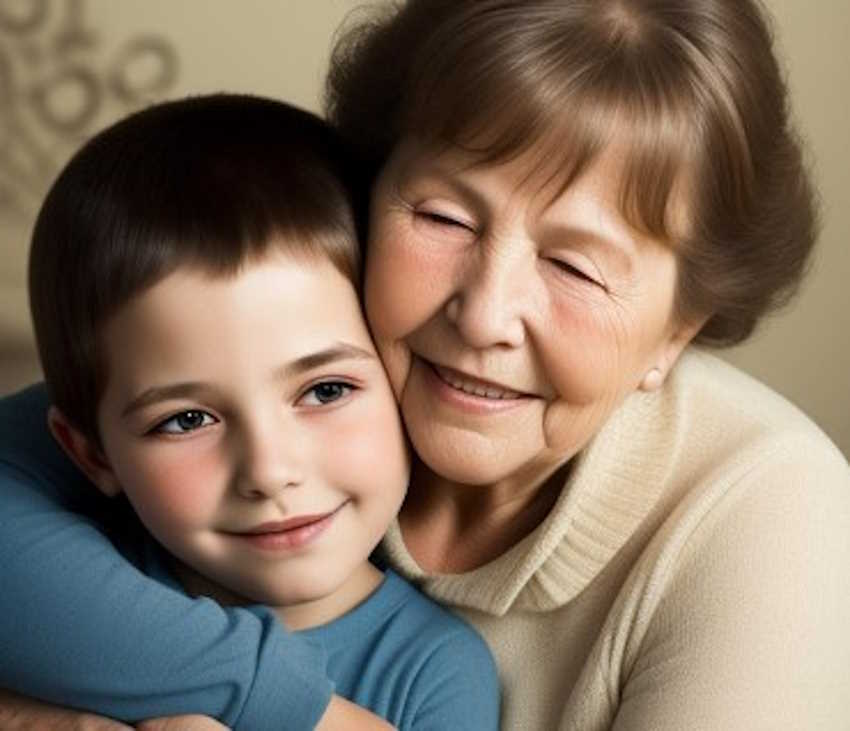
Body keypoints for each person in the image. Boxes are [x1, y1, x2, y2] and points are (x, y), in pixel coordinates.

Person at [2, 0, 850, 728]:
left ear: (675, 334)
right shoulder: (300, 337)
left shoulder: (775, 517)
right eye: (444, 218)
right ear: (367, 197)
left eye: (577, 267)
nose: (483, 314)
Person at [0, 93, 498, 731]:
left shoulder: (436, 674)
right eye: (185, 420)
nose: (269, 470)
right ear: (92, 453)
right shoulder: (61, 593)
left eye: (325, 390)